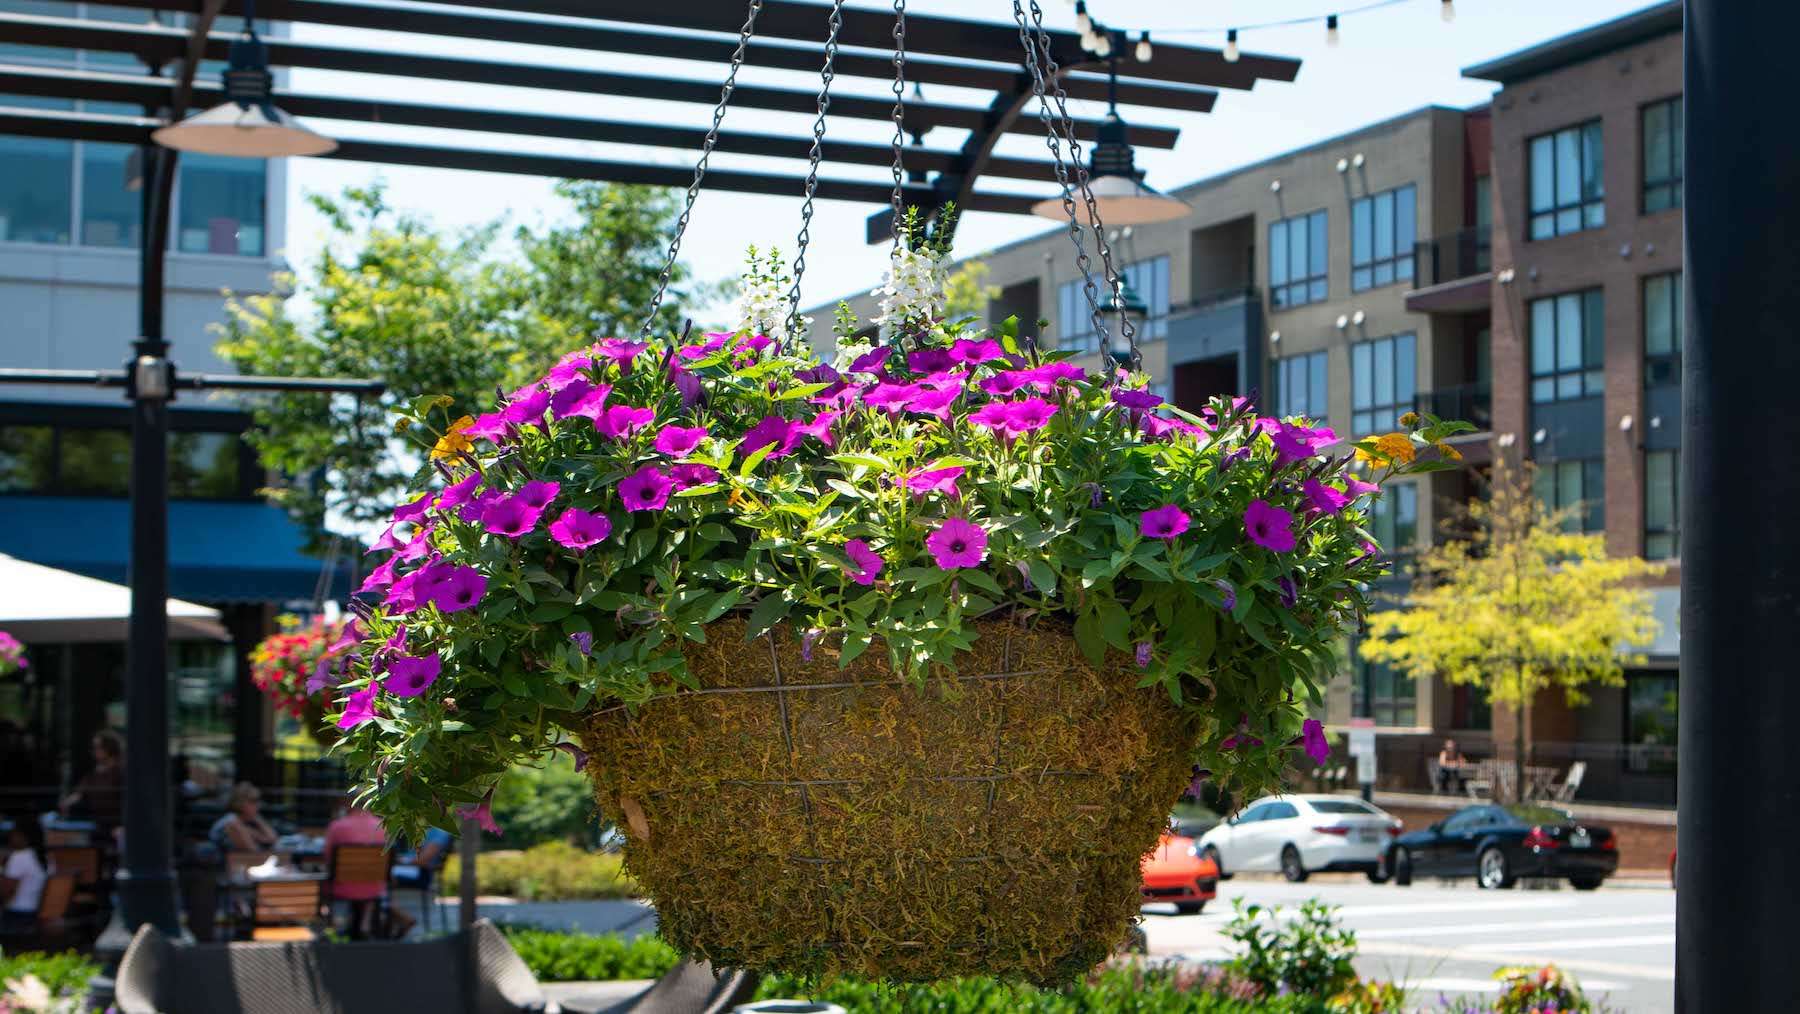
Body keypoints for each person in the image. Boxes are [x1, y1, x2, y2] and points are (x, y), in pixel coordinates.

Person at [323, 801, 394, 939]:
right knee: (370, 882)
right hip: (374, 887)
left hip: (342, 886)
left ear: (349, 804)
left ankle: (333, 925)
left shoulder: (337, 826)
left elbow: (327, 858)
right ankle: (364, 925)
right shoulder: (383, 827)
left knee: (321, 882)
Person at [59, 729, 124, 833]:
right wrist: (67, 803)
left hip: (116, 825)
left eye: (98, 747)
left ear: (109, 748)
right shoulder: (94, 773)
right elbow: (80, 792)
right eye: (94, 748)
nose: (94, 751)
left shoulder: (121, 771)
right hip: (97, 824)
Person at [2, 820, 47, 930]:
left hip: (16, 916)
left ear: (24, 836)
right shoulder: (46, 857)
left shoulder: (19, 856)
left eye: (14, 834)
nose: (11, 838)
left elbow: (6, 892)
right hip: (35, 914)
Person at [209, 782, 279, 853]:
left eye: (258, 801)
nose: (257, 805)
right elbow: (252, 850)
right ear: (240, 802)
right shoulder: (232, 821)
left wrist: (258, 820)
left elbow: (273, 839)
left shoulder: (250, 819)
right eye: (252, 801)